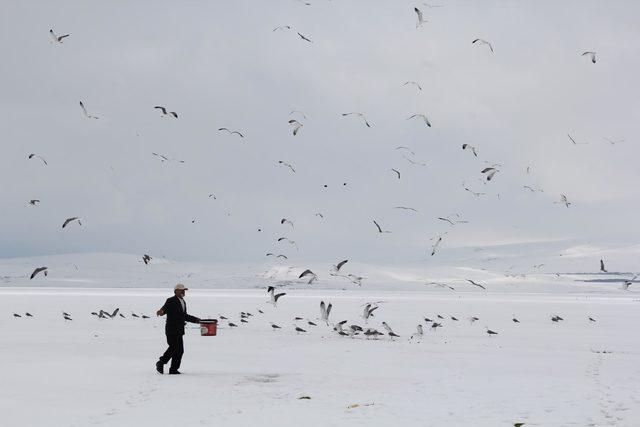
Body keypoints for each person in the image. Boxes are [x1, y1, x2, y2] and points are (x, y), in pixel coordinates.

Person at [155, 283, 201, 374]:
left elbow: (184, 316)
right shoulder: (170, 300)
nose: (184, 292)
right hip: (171, 329)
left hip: (179, 330)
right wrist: (161, 311)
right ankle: (161, 362)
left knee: (179, 350)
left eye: (184, 290)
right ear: (176, 291)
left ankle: (173, 369)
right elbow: (165, 308)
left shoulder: (183, 301)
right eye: (182, 290)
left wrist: (196, 320)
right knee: (174, 347)